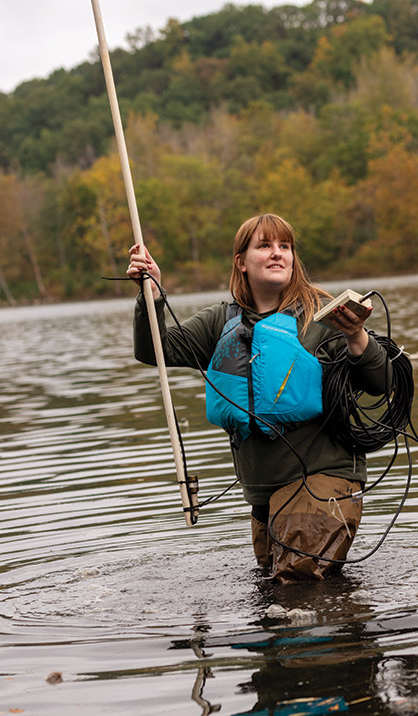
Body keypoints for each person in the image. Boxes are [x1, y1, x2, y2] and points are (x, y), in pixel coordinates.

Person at [127, 213, 392, 583]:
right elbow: (153, 349)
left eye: (285, 246)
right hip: (264, 497)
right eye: (264, 246)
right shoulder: (220, 320)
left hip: (324, 479)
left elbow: (382, 383)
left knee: (296, 595)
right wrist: (151, 295)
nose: (277, 253)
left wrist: (357, 337)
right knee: (279, 596)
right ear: (241, 261)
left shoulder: (322, 314)